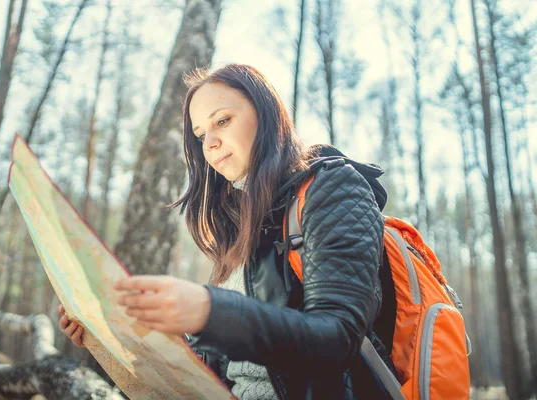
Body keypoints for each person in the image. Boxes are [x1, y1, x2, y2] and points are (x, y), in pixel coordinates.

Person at [59, 64, 390, 399]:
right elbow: (223, 368)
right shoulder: (239, 228)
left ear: (266, 114)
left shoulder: (333, 188)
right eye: (201, 134)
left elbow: (338, 338)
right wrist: (115, 334)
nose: (210, 144)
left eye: (222, 120)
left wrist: (211, 311)